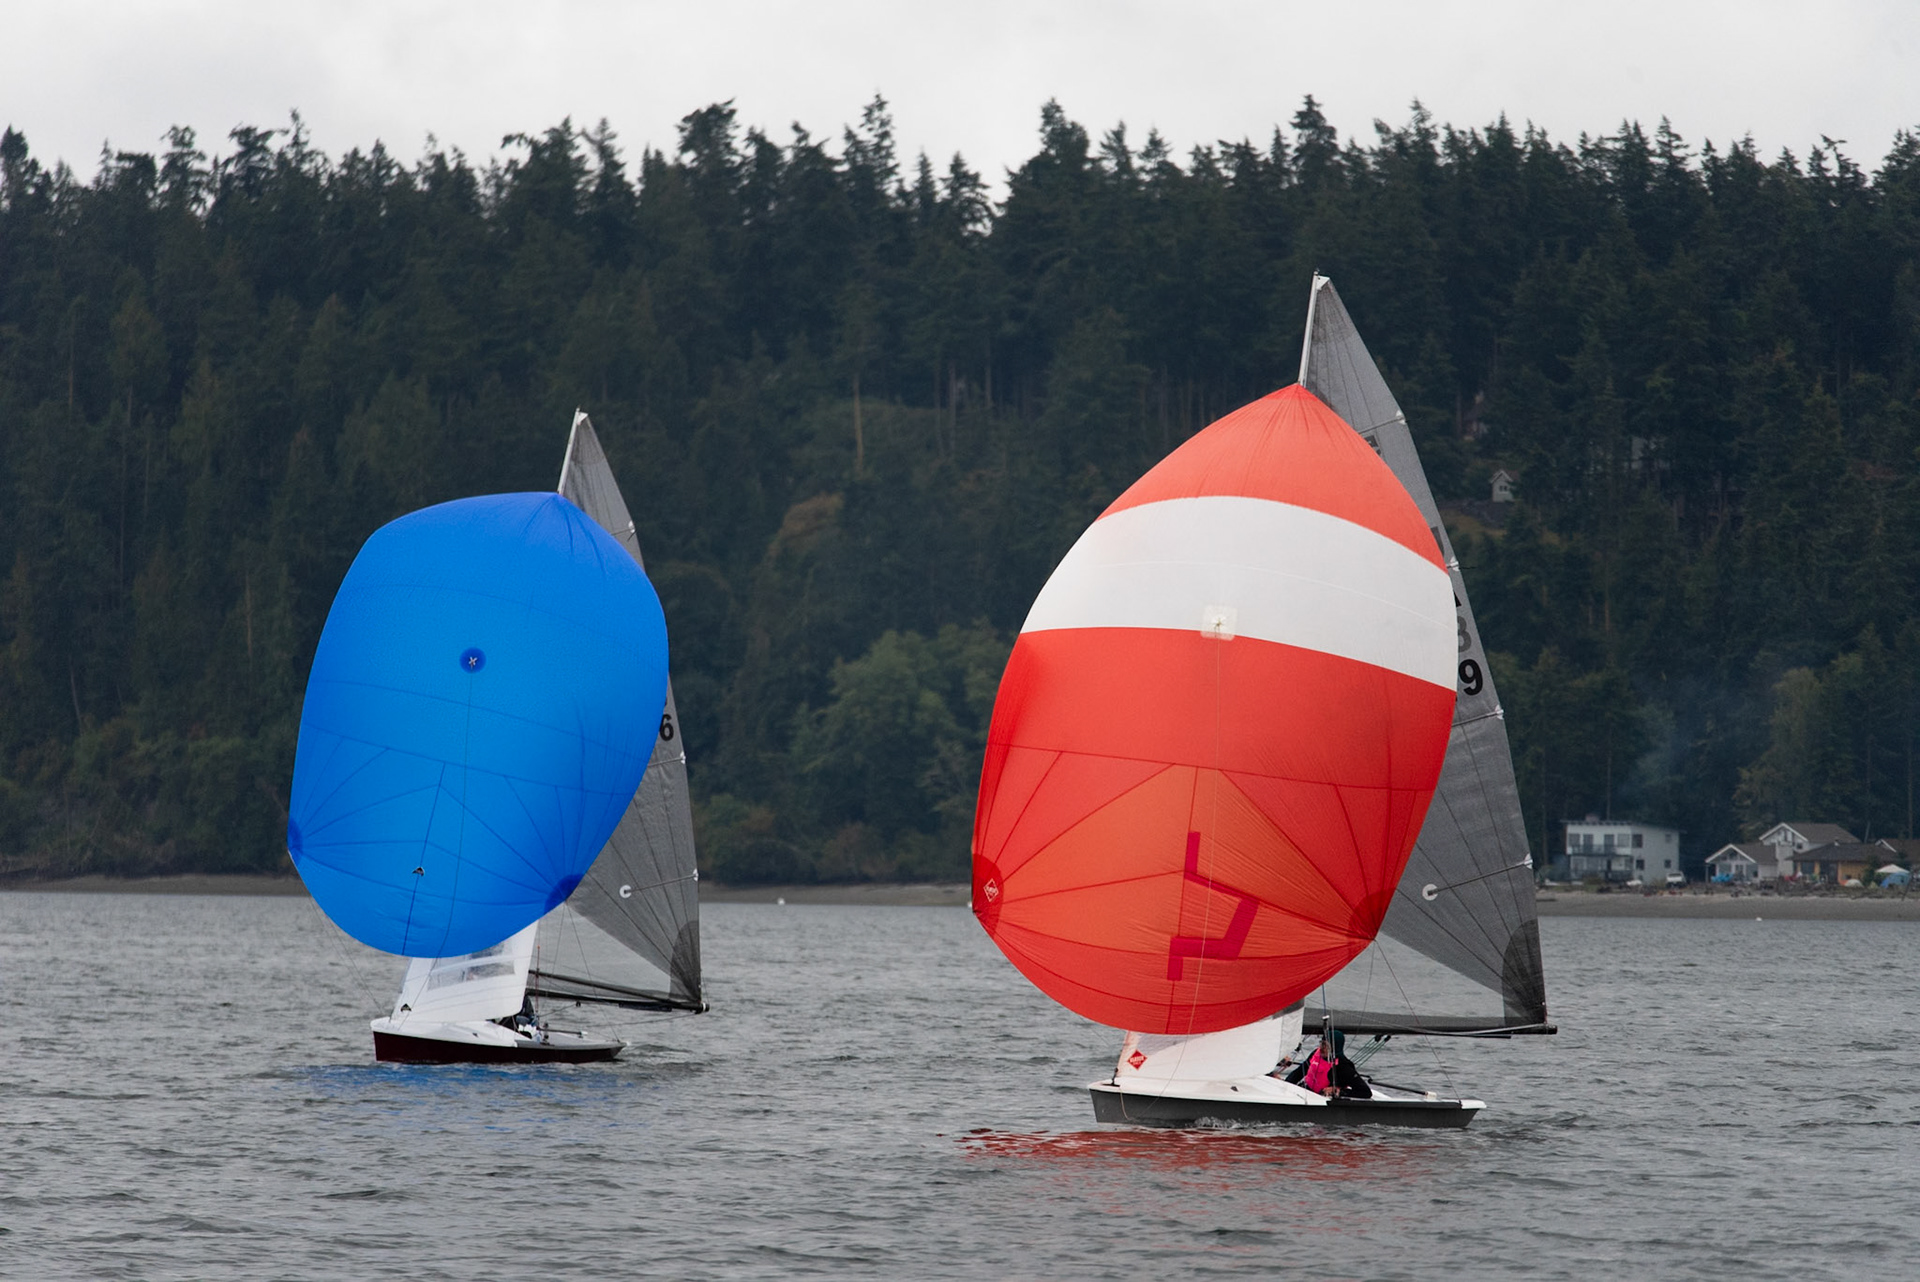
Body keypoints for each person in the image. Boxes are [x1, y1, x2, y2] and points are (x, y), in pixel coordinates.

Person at [1280, 1029, 1372, 1099]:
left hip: (1323, 1100)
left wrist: (1340, 1091)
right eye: (1321, 1044)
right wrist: (1285, 1086)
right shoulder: (1316, 1054)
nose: (1321, 1048)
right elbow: (1299, 1072)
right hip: (1307, 1092)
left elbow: (1365, 1092)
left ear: (1335, 1047)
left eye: (1326, 1046)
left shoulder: (1343, 1066)